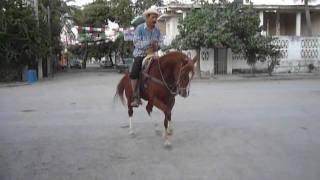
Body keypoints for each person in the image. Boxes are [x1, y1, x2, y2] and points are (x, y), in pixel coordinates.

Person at [130, 7, 163, 107]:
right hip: (141, 55)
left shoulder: (157, 31)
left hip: (153, 55)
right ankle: (135, 96)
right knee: (134, 71)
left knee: (164, 68)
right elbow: (136, 43)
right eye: (153, 17)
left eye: (156, 18)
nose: (155, 20)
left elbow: (161, 43)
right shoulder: (139, 28)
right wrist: (149, 42)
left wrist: (158, 45)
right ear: (147, 18)